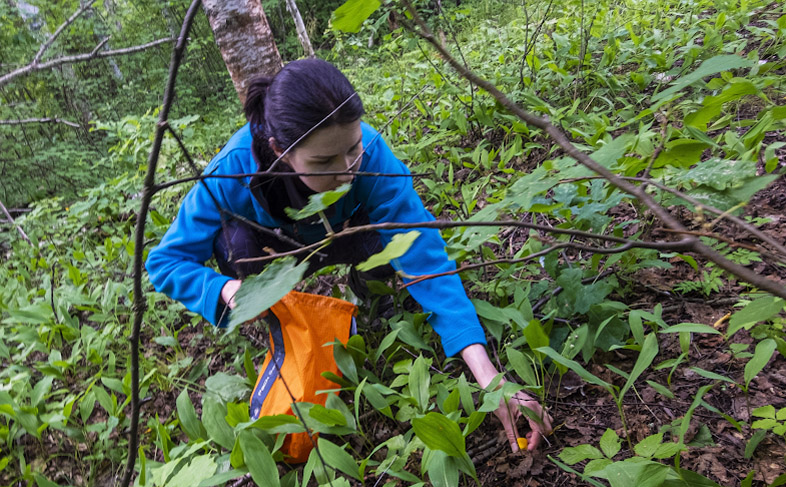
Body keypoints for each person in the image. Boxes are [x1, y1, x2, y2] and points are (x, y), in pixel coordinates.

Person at [145, 58, 552, 452]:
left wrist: (488, 377)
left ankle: (372, 293)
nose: (347, 171)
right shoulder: (233, 170)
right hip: (269, 253)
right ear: (280, 149)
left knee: (390, 238)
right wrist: (227, 290)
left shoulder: (370, 155)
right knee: (230, 240)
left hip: (344, 234)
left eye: (352, 149)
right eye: (324, 161)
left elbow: (423, 251)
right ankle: (279, 319)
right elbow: (165, 264)